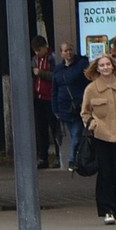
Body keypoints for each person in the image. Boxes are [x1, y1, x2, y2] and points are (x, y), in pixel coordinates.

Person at [80, 53, 116, 224]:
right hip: (102, 137)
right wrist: (92, 125)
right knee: (105, 174)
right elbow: (85, 112)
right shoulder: (91, 89)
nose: (105, 68)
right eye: (102, 65)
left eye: (108, 64)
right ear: (97, 68)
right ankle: (107, 210)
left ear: (113, 66)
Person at [51, 41, 89, 171]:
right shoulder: (58, 70)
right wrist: (55, 108)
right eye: (65, 51)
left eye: (70, 50)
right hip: (64, 107)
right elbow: (54, 90)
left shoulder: (81, 64)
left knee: (77, 133)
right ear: (61, 53)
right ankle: (78, 159)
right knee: (73, 135)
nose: (69, 53)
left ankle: (72, 160)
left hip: (78, 105)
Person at [31, 37, 57, 168]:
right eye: (35, 51)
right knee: (41, 129)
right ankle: (43, 157)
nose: (37, 53)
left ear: (45, 47)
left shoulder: (52, 57)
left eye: (39, 50)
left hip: (50, 98)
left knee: (55, 128)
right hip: (39, 97)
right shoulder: (35, 60)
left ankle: (58, 156)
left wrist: (41, 73)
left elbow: (55, 76)